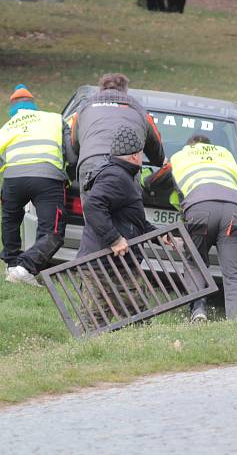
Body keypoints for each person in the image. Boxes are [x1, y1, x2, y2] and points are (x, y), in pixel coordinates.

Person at [157, 135, 237, 321]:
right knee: (235, 274)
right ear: (210, 146)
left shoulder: (180, 156)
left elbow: (156, 180)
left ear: (190, 146)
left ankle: (198, 310)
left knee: (195, 262)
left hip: (199, 210)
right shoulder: (225, 153)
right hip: (234, 211)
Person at [0, 84, 76, 285]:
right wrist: (70, 174)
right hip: (47, 179)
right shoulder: (54, 119)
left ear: (13, 111)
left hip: (13, 180)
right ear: (34, 106)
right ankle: (27, 267)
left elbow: (0, 163)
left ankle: (12, 264)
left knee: (10, 219)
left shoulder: (5, 128)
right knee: (52, 231)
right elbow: (72, 154)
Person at [77, 125, 161, 327]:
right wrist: (114, 239)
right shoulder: (116, 176)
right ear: (134, 155)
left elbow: (132, 221)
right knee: (96, 322)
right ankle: (85, 354)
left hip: (113, 264)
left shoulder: (123, 174)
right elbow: (93, 205)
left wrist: (160, 236)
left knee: (134, 316)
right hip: (103, 265)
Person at [69, 73, 165, 203]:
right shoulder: (139, 111)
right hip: (126, 166)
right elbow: (158, 155)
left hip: (91, 163)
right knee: (125, 217)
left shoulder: (83, 109)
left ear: (101, 89)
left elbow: (74, 144)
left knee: (94, 216)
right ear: (126, 90)